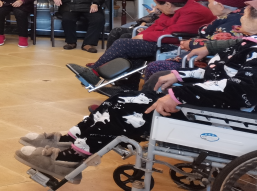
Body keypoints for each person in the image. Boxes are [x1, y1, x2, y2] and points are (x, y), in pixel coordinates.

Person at [15, 35, 257, 183]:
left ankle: (71, 159)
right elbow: (221, 75)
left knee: (124, 110)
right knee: (122, 98)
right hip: (211, 103)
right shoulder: (250, 42)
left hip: (224, 115)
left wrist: (179, 95)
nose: (243, 12)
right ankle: (71, 140)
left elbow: (244, 89)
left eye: (247, 10)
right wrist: (179, 75)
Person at [68, 0, 215, 86]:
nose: (156, 8)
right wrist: (142, 35)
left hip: (177, 44)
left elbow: (171, 34)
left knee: (123, 44)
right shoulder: (173, 9)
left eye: (158, 5)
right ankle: (125, 86)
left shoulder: (194, 12)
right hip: (164, 40)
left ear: (168, 4)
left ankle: (95, 72)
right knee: (130, 48)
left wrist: (143, 37)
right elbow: (158, 25)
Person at [142, 0, 251, 80]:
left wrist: (190, 43)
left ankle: (152, 95)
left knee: (155, 67)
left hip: (213, 64)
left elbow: (220, 45)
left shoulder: (232, 23)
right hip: (206, 58)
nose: (208, 5)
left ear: (220, 6)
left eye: (209, 2)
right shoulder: (233, 18)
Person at [106, 0, 207, 49]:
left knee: (124, 37)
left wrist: (146, 26)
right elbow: (163, 19)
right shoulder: (175, 0)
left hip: (163, 36)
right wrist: (146, 22)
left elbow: (172, 27)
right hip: (154, 28)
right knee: (118, 32)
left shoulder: (188, 5)